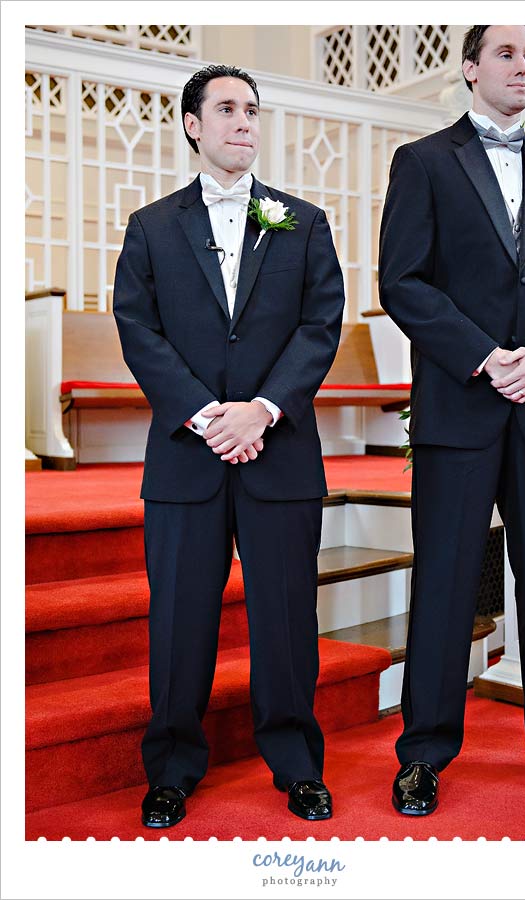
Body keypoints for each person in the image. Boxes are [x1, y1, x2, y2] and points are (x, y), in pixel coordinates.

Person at [113, 64, 344, 828]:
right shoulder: (150, 226)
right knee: (180, 619)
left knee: (285, 618)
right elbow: (138, 329)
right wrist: (210, 415)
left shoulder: (303, 221)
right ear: (193, 125)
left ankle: (297, 765)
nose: (244, 121)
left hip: (279, 450)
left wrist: (264, 411)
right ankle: (173, 767)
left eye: (252, 109)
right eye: (227, 109)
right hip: (188, 455)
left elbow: (320, 326)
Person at [379, 25, 525, 815]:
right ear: (469, 68)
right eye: (505, 54)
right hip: (461, 408)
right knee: (449, 581)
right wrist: (489, 357)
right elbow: (404, 281)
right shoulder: (423, 162)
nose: (522, 67)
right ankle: (424, 752)